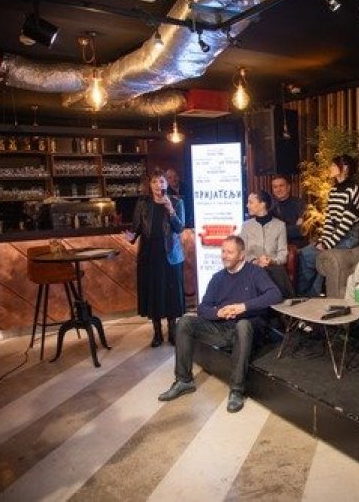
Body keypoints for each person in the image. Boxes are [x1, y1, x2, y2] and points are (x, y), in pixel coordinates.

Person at [157, 235, 283, 413]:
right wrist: (218, 313)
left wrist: (243, 307)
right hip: (223, 328)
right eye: (223, 251)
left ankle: (237, 390)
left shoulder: (255, 273)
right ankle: (184, 381)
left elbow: (275, 295)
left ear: (241, 255)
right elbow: (203, 308)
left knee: (243, 325)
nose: (224, 255)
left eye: (229, 252)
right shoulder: (218, 278)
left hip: (248, 330)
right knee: (185, 322)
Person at [126, 168, 186, 347]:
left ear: (166, 184)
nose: (158, 185)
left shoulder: (177, 201)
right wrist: (130, 236)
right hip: (149, 253)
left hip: (171, 254)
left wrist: (170, 210)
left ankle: (172, 331)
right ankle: (157, 332)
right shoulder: (143, 203)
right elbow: (136, 227)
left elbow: (179, 228)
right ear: (150, 185)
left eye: (161, 181)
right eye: (154, 182)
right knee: (153, 293)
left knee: (171, 294)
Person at [297, 154, 359, 296]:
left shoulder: (353, 189)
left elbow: (346, 224)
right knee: (306, 252)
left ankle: (304, 294)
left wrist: (327, 244)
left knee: (310, 254)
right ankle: (310, 295)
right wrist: (323, 240)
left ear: (345, 168)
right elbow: (329, 220)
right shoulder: (333, 190)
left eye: (334, 165)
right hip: (336, 234)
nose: (330, 168)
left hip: (349, 236)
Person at [238, 190, 295, 298]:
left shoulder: (280, 225)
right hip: (252, 267)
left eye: (251, 202)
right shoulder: (246, 226)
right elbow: (242, 252)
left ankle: (283, 302)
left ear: (262, 204)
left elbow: (283, 254)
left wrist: (271, 261)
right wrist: (255, 261)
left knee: (275, 271)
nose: (247, 205)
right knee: (258, 272)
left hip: (273, 267)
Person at [270, 174, 307, 248]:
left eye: (281, 186)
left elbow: (301, 230)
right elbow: (269, 233)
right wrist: (292, 228)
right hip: (276, 248)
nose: (278, 189)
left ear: (288, 187)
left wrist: (278, 230)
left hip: (298, 247)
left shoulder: (299, 203)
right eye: (275, 187)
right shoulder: (270, 208)